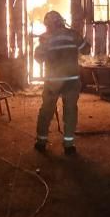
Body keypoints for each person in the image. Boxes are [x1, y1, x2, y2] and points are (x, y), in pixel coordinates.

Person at [33, 11, 90, 155]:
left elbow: (38, 58)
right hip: (71, 80)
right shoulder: (72, 34)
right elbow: (86, 50)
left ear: (48, 24)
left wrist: (44, 46)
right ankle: (69, 145)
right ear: (61, 21)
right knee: (70, 111)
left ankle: (41, 142)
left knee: (46, 110)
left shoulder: (46, 37)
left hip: (53, 82)